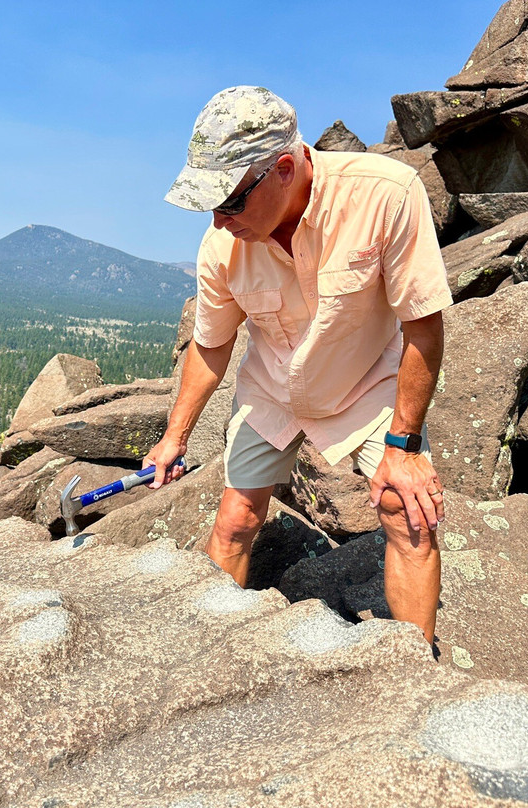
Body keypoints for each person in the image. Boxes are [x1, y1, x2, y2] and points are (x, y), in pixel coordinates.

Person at [144, 86, 452, 645]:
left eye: (230, 201)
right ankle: (206, 652)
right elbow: (210, 346)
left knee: (407, 513)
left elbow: (423, 327)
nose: (218, 221)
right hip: (273, 386)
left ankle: (415, 669)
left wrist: (404, 447)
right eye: (210, 205)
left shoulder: (385, 195)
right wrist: (174, 438)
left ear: (284, 169)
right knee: (235, 519)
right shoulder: (222, 247)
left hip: (366, 379)